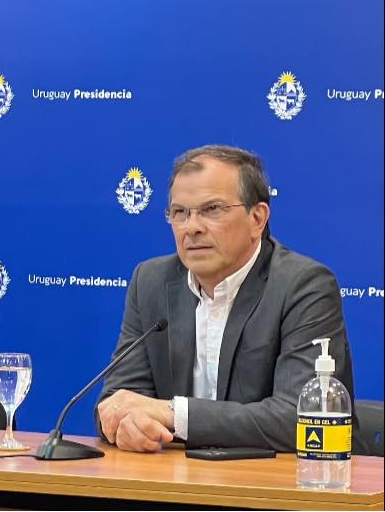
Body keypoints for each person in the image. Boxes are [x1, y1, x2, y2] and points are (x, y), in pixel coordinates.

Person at [97, 145, 357, 452]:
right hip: (172, 475)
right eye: (180, 213)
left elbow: (301, 417)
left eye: (212, 209)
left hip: (275, 479)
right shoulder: (151, 281)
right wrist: (127, 425)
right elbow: (118, 400)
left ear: (257, 219)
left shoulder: (303, 286)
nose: (192, 227)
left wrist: (173, 414)